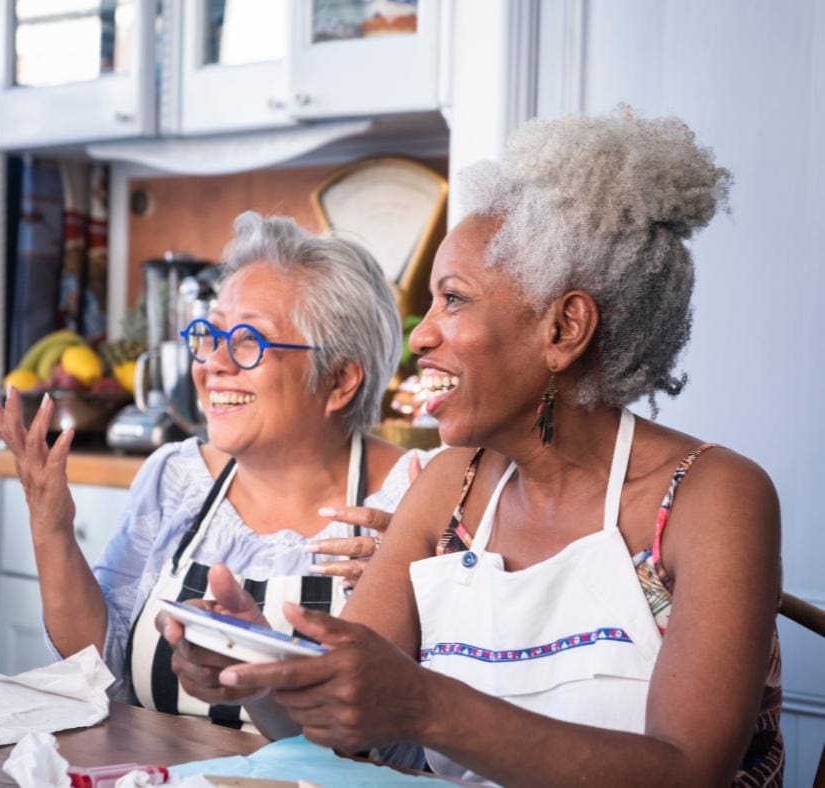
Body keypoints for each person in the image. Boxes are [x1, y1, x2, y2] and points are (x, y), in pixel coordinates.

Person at [161, 109, 783, 785]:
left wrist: (428, 709)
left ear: (564, 327)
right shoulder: (450, 486)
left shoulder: (713, 496)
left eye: (453, 300)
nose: (420, 336)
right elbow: (338, 736)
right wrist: (260, 673)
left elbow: (688, 772)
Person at [0, 211, 428, 729]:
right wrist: (50, 524)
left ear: (340, 380)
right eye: (210, 336)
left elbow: (409, 735)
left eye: (248, 341)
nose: (212, 363)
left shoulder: (413, 498)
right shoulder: (176, 478)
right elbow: (99, 668)